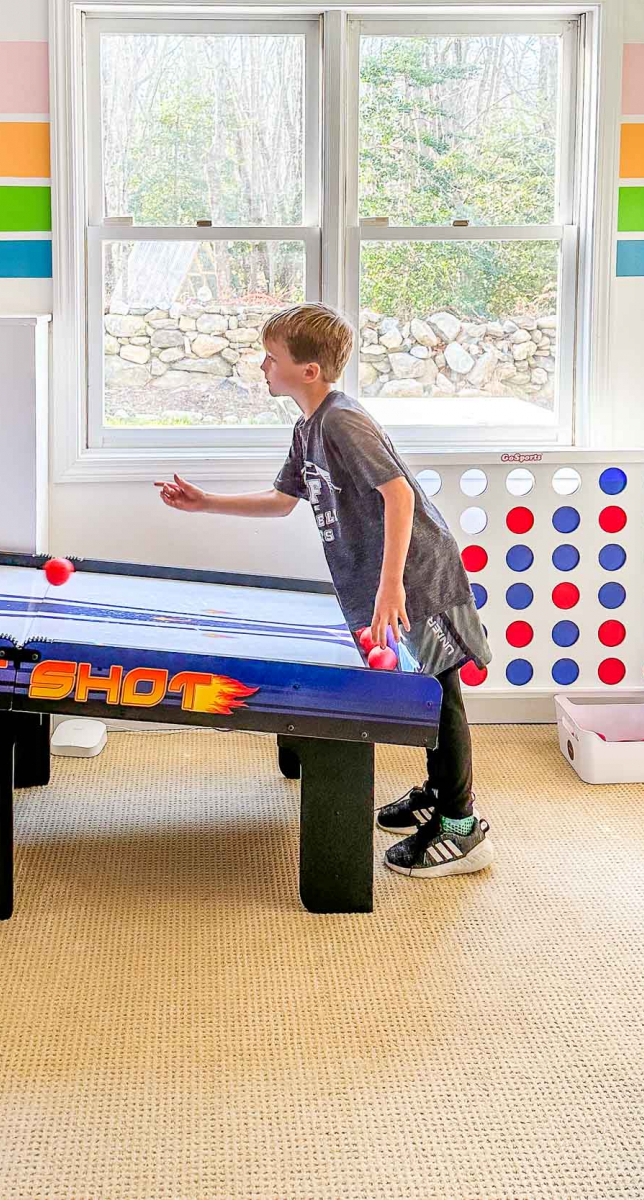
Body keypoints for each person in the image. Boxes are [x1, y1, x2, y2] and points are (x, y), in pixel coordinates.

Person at [156, 302, 492, 878]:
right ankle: (440, 795)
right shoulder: (308, 427)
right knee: (432, 690)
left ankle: (461, 827)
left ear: (307, 370)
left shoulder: (342, 421)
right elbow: (284, 501)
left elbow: (400, 495)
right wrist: (205, 502)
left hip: (417, 577)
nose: (262, 365)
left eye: (273, 357)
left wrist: (391, 588)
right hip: (388, 581)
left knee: (441, 695)